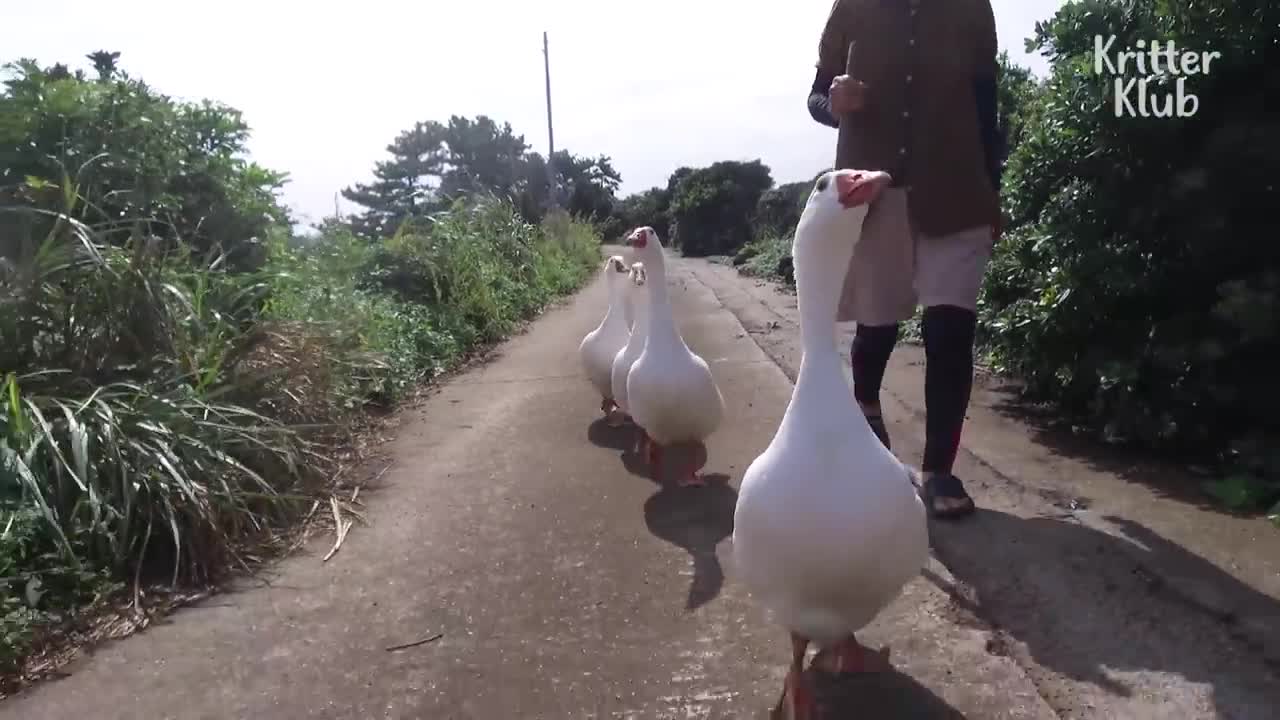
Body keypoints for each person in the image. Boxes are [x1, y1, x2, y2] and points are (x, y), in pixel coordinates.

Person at [807, 0, 1005, 519]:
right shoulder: (851, 7)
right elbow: (815, 97)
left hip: (957, 187)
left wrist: (993, 191)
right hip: (872, 193)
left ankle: (938, 470)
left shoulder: (972, 9)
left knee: (950, 330)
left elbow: (987, 104)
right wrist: (834, 102)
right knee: (878, 326)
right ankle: (868, 410)